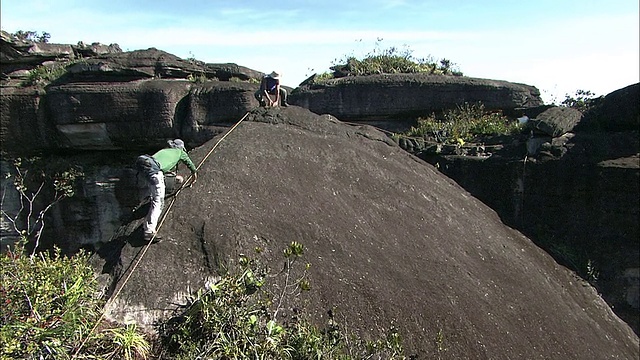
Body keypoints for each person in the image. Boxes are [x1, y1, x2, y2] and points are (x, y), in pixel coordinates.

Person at [135, 139, 197, 241]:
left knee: (161, 181)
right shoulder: (180, 152)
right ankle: (149, 231)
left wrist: (177, 179)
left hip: (145, 164)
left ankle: (148, 224)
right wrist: (194, 176)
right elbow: (190, 165)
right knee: (159, 202)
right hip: (154, 170)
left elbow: (162, 168)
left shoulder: (165, 151)